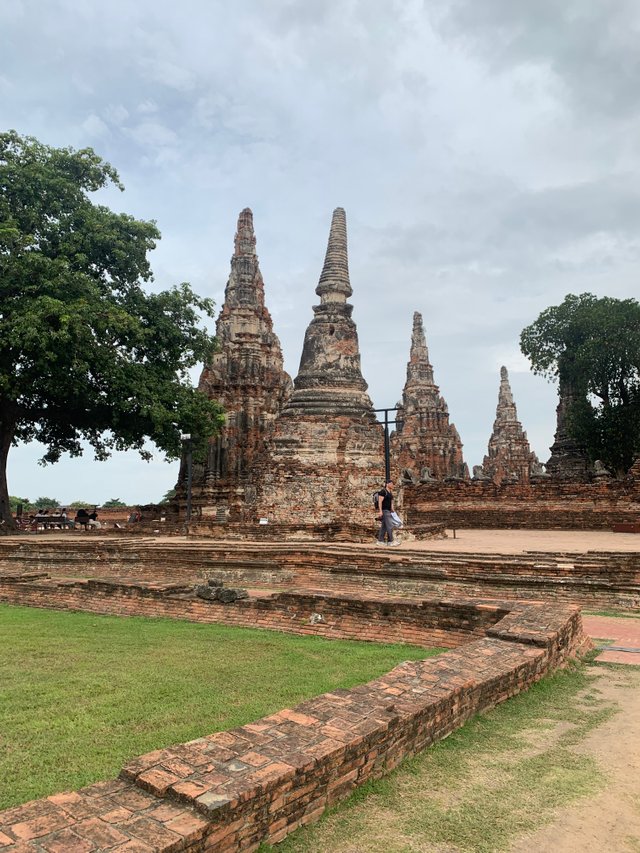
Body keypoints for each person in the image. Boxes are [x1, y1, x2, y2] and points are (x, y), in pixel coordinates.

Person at [376, 479, 400, 546]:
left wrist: (392, 509)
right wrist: (380, 511)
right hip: (384, 511)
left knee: (384, 526)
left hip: (388, 511)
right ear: (387, 484)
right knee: (390, 526)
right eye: (391, 484)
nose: (392, 485)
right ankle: (391, 541)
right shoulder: (383, 491)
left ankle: (380, 541)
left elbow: (391, 501)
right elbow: (380, 502)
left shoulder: (390, 492)